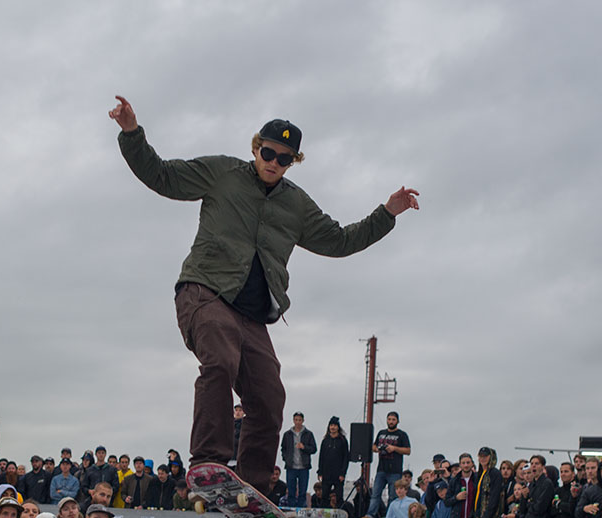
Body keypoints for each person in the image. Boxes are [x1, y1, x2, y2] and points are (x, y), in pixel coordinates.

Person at [111, 96, 419, 495]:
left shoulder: (297, 205)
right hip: (204, 293)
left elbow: (341, 240)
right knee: (219, 360)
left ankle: (249, 489)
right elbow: (163, 176)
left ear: (294, 161)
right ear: (256, 148)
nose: (274, 162)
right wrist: (132, 133)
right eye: (269, 153)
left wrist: (386, 213)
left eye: (285, 158)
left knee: (270, 397)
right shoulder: (223, 173)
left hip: (252, 318)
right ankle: (208, 461)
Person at [364, 412, 412, 518]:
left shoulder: (402, 435)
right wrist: (376, 449)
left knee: (393, 496)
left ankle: (389, 517)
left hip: (395, 471)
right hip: (381, 469)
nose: (391, 421)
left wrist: (394, 448)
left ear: (397, 421)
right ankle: (370, 515)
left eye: (393, 419)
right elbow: (374, 445)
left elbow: (408, 450)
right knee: (375, 494)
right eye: (389, 419)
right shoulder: (381, 433)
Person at [280, 412, 317, 508]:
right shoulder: (287, 434)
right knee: (291, 491)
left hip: (303, 467)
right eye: (296, 420)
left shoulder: (308, 434)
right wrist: (286, 458)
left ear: (303, 421)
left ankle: (301, 510)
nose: (298, 422)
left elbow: (314, 449)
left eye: (299, 420)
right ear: (293, 420)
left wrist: (304, 447)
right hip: (291, 467)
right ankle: (291, 509)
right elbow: (283, 448)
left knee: (302, 491)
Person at [316, 417, 349, 508]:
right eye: (331, 425)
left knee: (339, 496)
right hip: (326, 473)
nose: (332, 427)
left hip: (338, 474)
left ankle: (339, 513)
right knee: (324, 496)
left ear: (338, 427)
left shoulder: (343, 441)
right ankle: (323, 513)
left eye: (334, 425)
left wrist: (343, 473)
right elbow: (321, 457)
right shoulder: (325, 440)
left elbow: (346, 457)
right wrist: (320, 471)